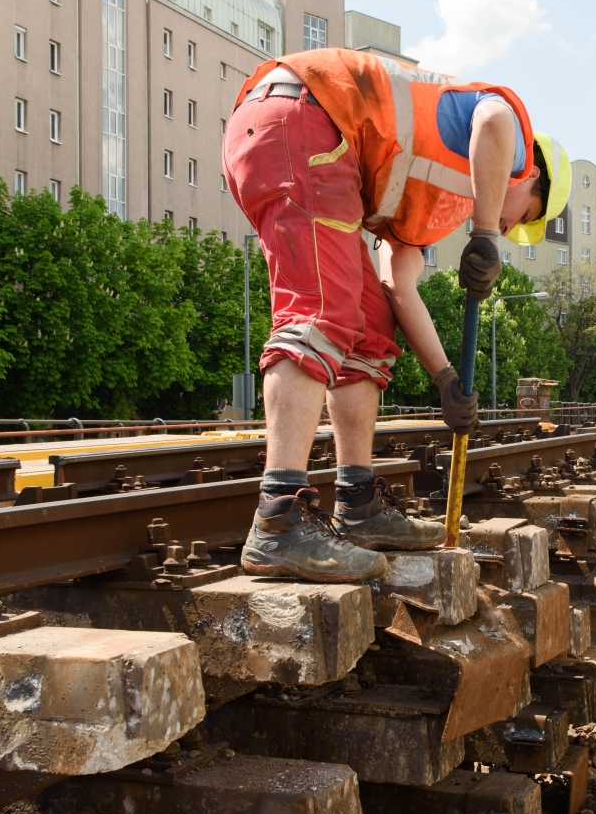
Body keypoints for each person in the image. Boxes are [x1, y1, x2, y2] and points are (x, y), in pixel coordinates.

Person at [223, 48, 571, 582]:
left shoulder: (433, 200)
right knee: (320, 310)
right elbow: (495, 117)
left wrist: (445, 379)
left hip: (305, 136)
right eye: (521, 216)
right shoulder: (512, 143)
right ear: (533, 179)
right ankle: (278, 517)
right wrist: (481, 233)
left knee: (367, 324)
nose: (506, 225)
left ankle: (357, 502)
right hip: (300, 118)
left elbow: (399, 288)